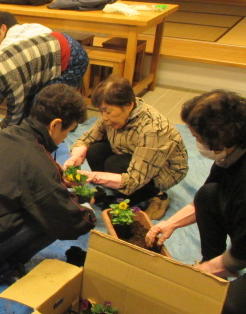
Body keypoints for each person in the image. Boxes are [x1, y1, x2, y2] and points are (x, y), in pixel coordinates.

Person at [0, 84, 96, 284]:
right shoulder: (36, 161)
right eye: (67, 132)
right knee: (52, 215)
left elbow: (29, 172)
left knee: (42, 201)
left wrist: (57, 178)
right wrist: (87, 213)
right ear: (55, 125)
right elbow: (67, 220)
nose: (64, 139)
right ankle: (6, 264)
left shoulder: (9, 134)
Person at [146, 90, 246, 314]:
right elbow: (202, 200)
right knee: (208, 195)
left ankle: (213, 272)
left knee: (230, 310)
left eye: (197, 138)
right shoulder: (231, 153)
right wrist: (168, 224)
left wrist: (198, 275)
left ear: (219, 139)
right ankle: (213, 268)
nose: (196, 144)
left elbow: (240, 255)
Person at [64, 76, 188, 220]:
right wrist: (75, 158)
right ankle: (118, 191)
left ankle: (156, 195)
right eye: (101, 111)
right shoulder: (113, 116)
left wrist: (94, 177)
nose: (104, 117)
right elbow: (87, 139)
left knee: (115, 164)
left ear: (128, 105)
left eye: (108, 111)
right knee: (95, 150)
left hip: (160, 171)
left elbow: (134, 180)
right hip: (128, 155)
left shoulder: (154, 129)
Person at [0, 26, 89, 130]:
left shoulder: (11, 78)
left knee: (43, 104)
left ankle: (69, 123)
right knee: (29, 109)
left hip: (71, 57)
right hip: (54, 47)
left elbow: (15, 114)